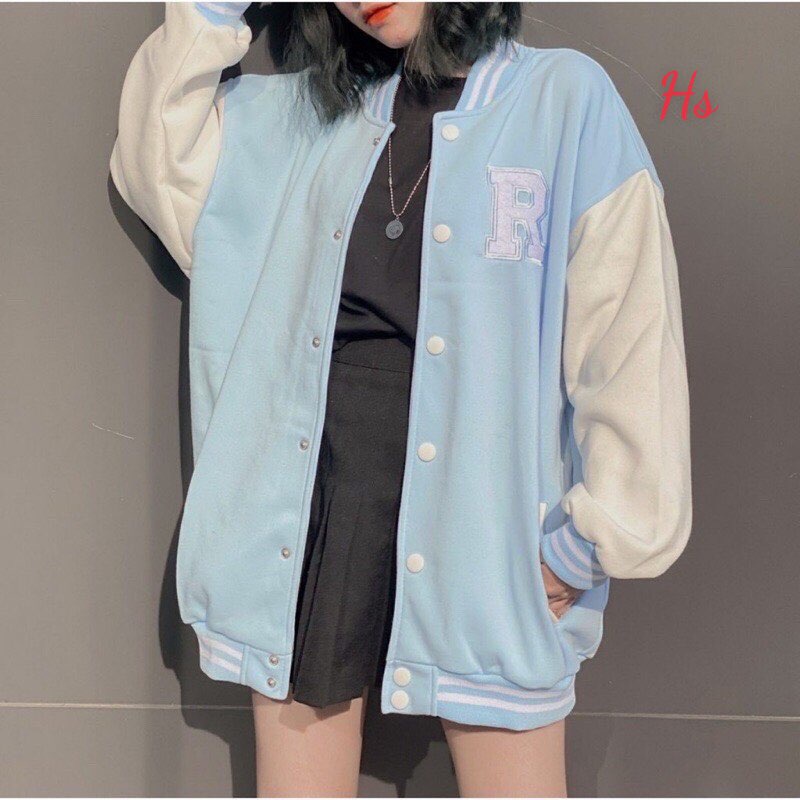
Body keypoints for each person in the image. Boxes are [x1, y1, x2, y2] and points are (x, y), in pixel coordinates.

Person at [109, 2, 692, 795]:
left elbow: (628, 332)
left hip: (487, 517)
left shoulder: (562, 100)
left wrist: (590, 541)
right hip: (314, 504)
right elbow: (157, 161)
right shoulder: (298, 117)